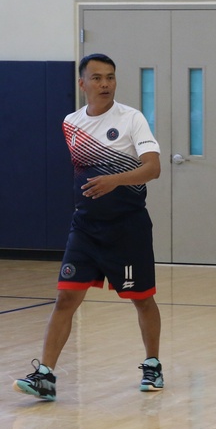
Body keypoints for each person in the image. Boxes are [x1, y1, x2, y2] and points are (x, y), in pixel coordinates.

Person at [13, 53, 164, 401]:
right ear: (82, 84)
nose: (105, 84)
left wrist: (114, 181)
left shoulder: (132, 119)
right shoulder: (71, 123)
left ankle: (153, 364)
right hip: (85, 226)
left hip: (128, 227)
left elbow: (153, 168)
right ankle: (45, 377)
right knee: (66, 296)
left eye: (110, 77)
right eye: (96, 78)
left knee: (142, 299)